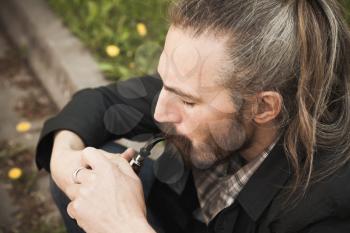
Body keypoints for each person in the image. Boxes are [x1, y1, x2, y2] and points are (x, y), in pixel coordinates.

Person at [36, 0, 350, 232]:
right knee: (92, 168)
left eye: (187, 101)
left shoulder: (326, 209)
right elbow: (101, 103)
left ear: (263, 107)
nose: (159, 111)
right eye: (165, 83)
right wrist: (64, 159)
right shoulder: (205, 81)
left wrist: (124, 225)